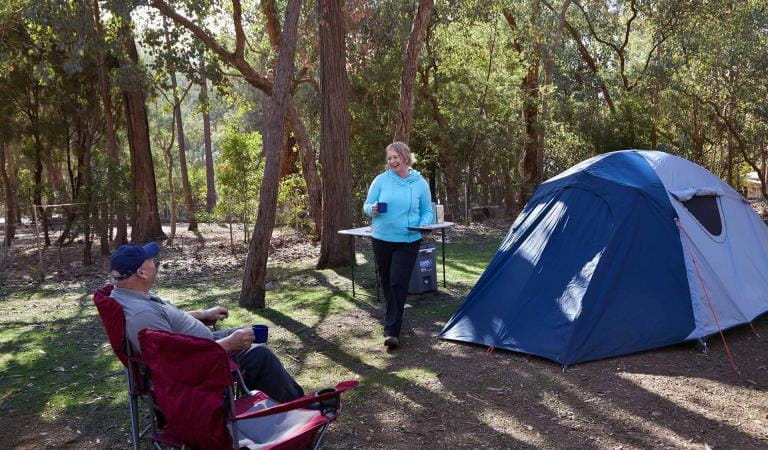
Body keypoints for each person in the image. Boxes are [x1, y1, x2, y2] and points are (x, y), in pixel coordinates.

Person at [108, 242, 304, 403]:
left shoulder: (129, 295)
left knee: (248, 334)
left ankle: (261, 405)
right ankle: (298, 405)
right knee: (260, 354)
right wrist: (227, 345)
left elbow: (166, 323)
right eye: (151, 260)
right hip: (200, 363)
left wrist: (202, 314)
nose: (155, 263)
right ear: (141, 273)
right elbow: (174, 363)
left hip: (200, 344)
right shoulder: (140, 315)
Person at [363, 141, 433, 348]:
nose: (392, 161)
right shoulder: (381, 180)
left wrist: (423, 224)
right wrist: (372, 209)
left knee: (397, 281)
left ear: (405, 158)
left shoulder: (420, 183)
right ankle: (394, 317)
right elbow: (366, 205)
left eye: (396, 157)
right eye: (389, 158)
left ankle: (392, 331)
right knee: (387, 281)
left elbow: (426, 211)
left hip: (409, 240)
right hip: (382, 238)